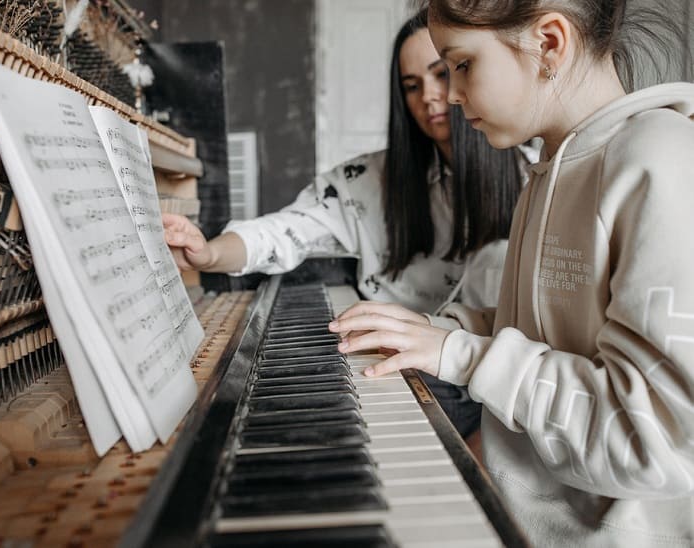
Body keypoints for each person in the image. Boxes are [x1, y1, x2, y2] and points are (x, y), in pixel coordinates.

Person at [329, 0, 694, 545]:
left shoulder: (659, 159)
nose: (450, 95)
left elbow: (654, 440)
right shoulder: (549, 169)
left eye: (462, 65)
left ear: (548, 43)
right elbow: (557, 330)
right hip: (516, 517)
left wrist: (460, 354)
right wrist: (437, 330)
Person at [163, 11, 530, 438]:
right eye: (411, 85)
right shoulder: (368, 179)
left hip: (491, 379)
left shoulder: (533, 177)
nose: (429, 96)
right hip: (397, 368)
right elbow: (283, 231)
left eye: (443, 74)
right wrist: (208, 253)